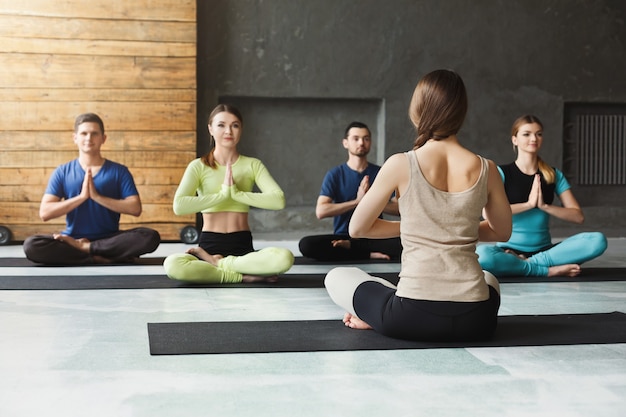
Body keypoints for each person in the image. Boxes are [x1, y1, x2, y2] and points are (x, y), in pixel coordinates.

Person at [324, 69, 512, 342]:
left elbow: (357, 228)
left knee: (337, 276)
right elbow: (502, 232)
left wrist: (416, 227)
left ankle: (376, 315)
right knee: (488, 278)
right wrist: (453, 228)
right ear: (461, 111)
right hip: (476, 320)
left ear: (418, 109)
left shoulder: (401, 163)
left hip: (409, 317)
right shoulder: (487, 168)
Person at [163, 104, 294, 283]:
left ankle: (220, 264)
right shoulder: (199, 166)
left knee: (284, 258)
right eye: (221, 125)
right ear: (210, 129)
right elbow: (179, 206)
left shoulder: (252, 164)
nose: (228, 131)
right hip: (210, 243)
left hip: (242, 245)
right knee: (173, 265)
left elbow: (278, 201)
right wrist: (223, 195)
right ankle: (239, 276)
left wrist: (236, 193)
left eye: (235, 125)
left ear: (241, 130)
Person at [476, 115, 608, 277]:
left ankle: (526, 264)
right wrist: (529, 204)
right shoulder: (501, 173)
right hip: (508, 250)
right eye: (527, 134)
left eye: (538, 134)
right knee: (483, 255)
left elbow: (577, 216)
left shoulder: (553, 175)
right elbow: (485, 214)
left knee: (597, 241)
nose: (534, 138)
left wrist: (544, 206)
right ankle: (546, 269)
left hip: (545, 251)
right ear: (514, 139)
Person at [23, 113, 161, 265]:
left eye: (94, 133)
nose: (89, 138)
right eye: (84, 133)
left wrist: (97, 197)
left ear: (103, 138)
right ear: (75, 138)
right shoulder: (62, 171)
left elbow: (135, 208)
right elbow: (45, 212)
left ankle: (85, 249)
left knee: (149, 236)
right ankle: (96, 256)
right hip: (72, 239)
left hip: (110, 239)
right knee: (32, 245)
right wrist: (81, 197)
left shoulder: (119, 171)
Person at [298, 121, 402, 261]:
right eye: (356, 138)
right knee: (306, 245)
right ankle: (364, 252)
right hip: (343, 235)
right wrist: (357, 201)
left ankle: (353, 248)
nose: (361, 143)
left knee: (407, 240)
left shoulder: (381, 172)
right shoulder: (335, 174)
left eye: (366, 138)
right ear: (345, 143)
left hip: (373, 236)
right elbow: (321, 211)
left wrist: (370, 200)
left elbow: (399, 209)